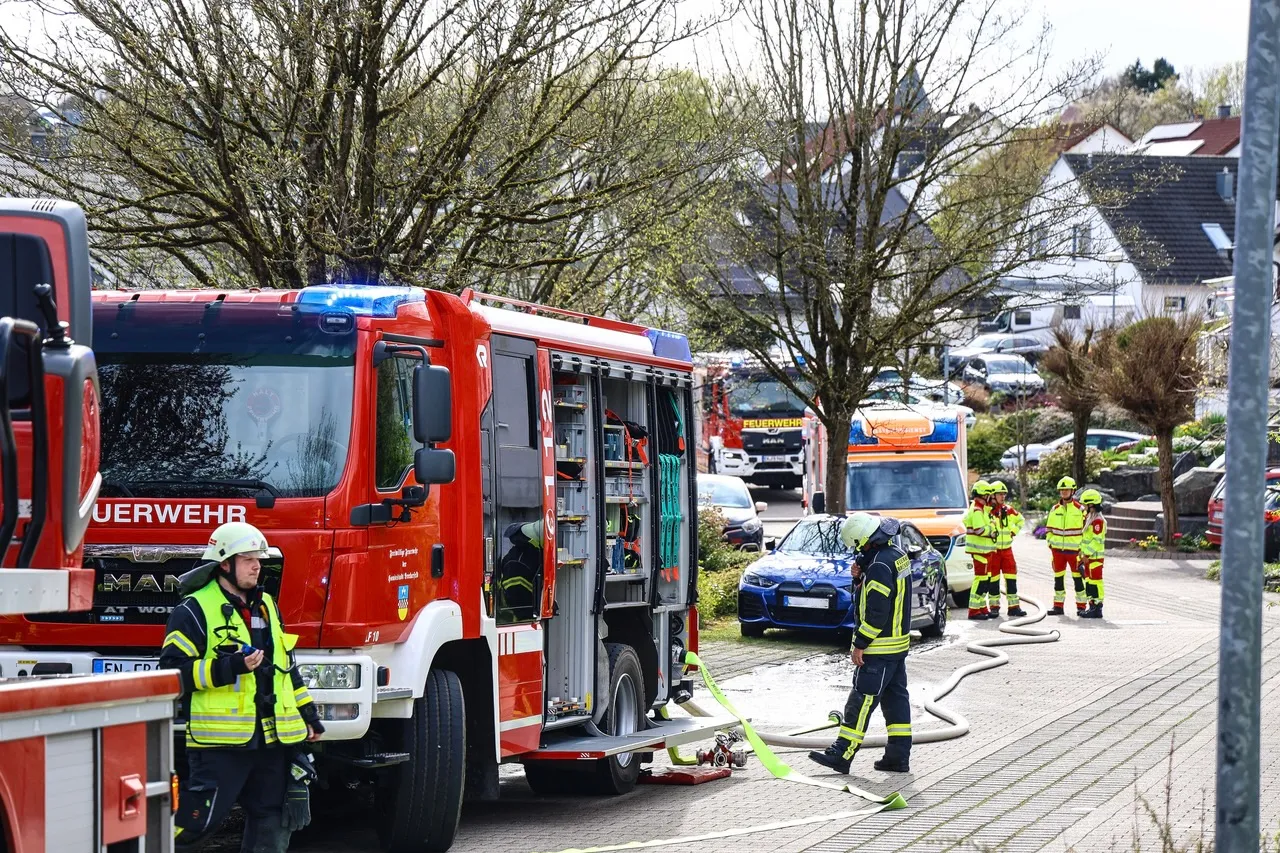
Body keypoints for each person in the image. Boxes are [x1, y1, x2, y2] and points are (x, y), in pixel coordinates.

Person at [161, 521, 323, 852]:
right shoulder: (193, 610)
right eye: (248, 558)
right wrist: (230, 666)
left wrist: (309, 714)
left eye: (259, 559)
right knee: (196, 823)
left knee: (274, 820)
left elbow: (286, 668)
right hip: (220, 743)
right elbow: (172, 673)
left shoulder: (266, 606)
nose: (257, 566)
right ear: (224, 563)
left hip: (272, 738)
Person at [809, 512, 912, 775]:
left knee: (861, 700)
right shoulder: (895, 556)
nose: (858, 551)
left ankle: (841, 753)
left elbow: (876, 612)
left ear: (865, 540)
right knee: (895, 701)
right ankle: (897, 757)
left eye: (858, 545)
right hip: (897, 646)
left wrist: (860, 643)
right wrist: (859, 579)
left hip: (878, 648)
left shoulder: (878, 566)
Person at [1045, 476, 1087, 616]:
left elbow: (1086, 532)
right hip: (1058, 552)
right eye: (1061, 490)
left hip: (1075, 552)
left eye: (1066, 489)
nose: (1064, 492)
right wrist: (1051, 543)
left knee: (1078, 580)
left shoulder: (1080, 510)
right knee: (1058, 580)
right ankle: (1058, 606)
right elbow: (1048, 530)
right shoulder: (1054, 509)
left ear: (1073, 491)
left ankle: (1081, 607)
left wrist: (1082, 549)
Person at [986, 481, 1026, 618]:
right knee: (993, 580)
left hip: (1007, 550)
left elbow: (1021, 520)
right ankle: (994, 607)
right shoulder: (987, 512)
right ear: (992, 495)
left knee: (1011, 578)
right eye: (1000, 494)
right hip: (994, 551)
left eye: (1004, 494)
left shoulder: (1008, 510)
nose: (1003, 497)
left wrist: (1013, 532)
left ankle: (1014, 607)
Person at [498, 520, 544, 623]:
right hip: (520, 618)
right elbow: (518, 596)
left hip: (521, 614)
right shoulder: (523, 560)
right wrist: (527, 617)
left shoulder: (517, 555)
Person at [964, 481, 996, 620]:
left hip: (984, 551)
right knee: (980, 580)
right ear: (985, 495)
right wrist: (992, 530)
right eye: (989, 495)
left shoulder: (981, 509)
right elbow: (979, 530)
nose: (991, 498)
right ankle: (974, 610)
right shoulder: (977, 510)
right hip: (979, 551)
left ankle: (982, 607)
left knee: (986, 580)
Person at [1079, 489, 1108, 619]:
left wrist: (1086, 554)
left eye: (1085, 504)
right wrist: (1082, 552)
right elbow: (1085, 539)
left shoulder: (1098, 522)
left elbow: (1096, 542)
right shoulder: (1090, 519)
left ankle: (1097, 607)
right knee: (1090, 582)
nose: (1083, 507)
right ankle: (1092, 606)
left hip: (1095, 558)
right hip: (1089, 557)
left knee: (1096, 582)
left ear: (1091, 504)